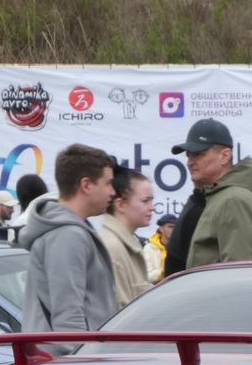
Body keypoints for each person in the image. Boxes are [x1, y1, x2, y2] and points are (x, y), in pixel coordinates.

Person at [19, 144, 116, 341]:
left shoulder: (69, 230)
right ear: (86, 185)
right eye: (108, 183)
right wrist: (85, 361)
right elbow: (68, 321)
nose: (113, 192)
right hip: (69, 364)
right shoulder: (67, 235)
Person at [170, 118, 252, 269]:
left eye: (198, 154)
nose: (190, 162)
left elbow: (239, 274)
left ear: (225, 156)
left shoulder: (234, 200)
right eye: (188, 155)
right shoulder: (220, 197)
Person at [99, 167, 154, 309]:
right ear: (120, 204)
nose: (152, 207)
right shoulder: (113, 248)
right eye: (145, 201)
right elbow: (120, 316)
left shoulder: (125, 243)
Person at [143, 213, 175, 283]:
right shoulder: (149, 248)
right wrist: (163, 271)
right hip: (156, 291)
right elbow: (146, 277)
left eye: (176, 227)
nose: (174, 230)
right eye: (170, 227)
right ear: (161, 229)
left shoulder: (179, 248)